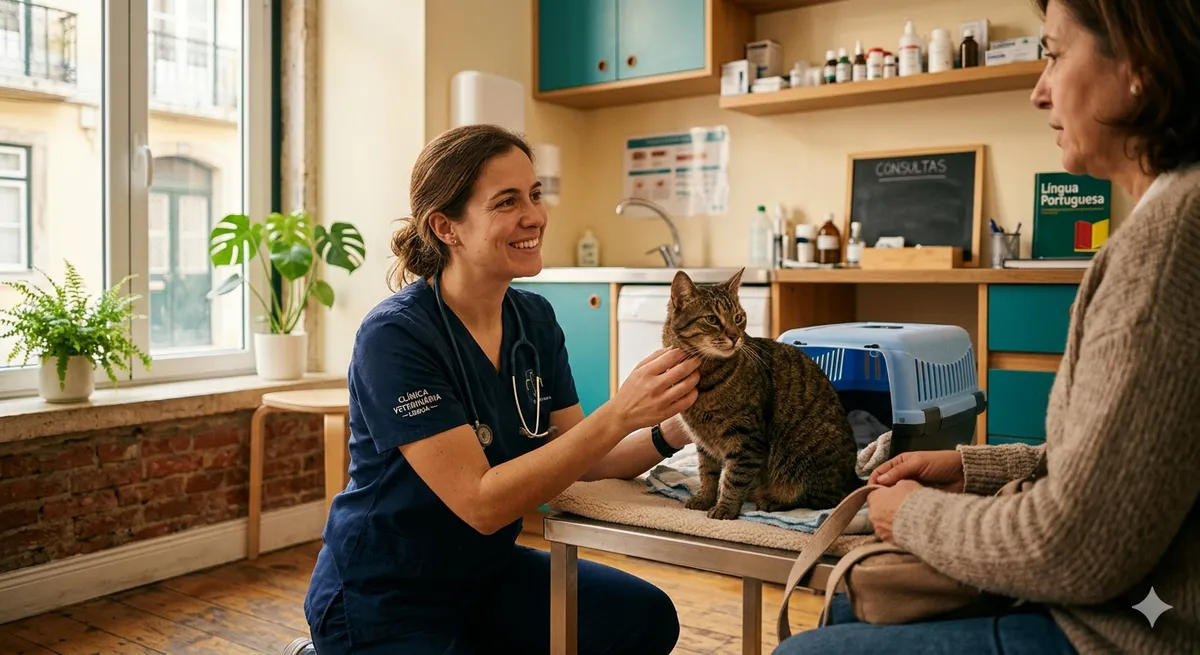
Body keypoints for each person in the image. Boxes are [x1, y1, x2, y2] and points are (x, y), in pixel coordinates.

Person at [774, 1, 1200, 653]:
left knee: (809, 649)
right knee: (847, 612)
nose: (1038, 89)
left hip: (1128, 632)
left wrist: (911, 514)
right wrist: (974, 467)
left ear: (1139, 66)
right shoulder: (1166, 222)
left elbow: (1077, 545)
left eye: (1053, 54)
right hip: (1114, 604)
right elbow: (1121, 467)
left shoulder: (1167, 247)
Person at [291, 124, 702, 654]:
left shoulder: (534, 319)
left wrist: (673, 429)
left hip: (485, 573)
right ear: (446, 227)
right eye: (506, 202)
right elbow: (481, 503)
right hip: (387, 592)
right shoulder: (396, 336)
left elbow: (581, 454)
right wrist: (621, 411)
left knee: (644, 618)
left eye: (534, 195)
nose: (534, 215)